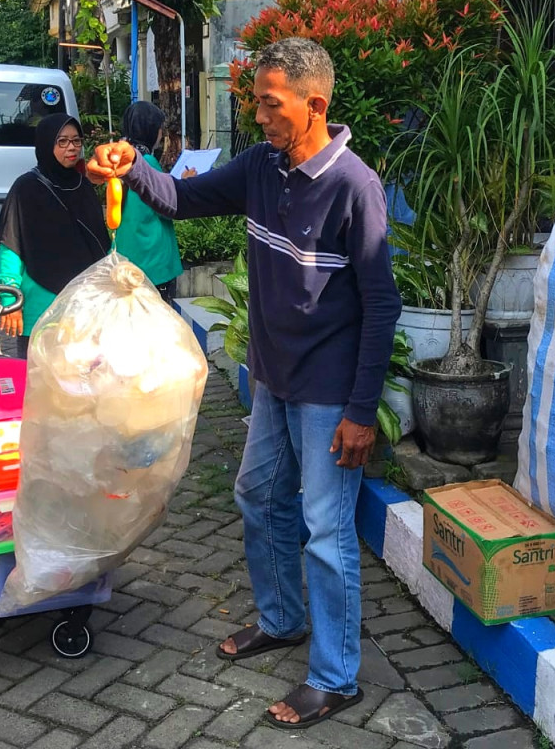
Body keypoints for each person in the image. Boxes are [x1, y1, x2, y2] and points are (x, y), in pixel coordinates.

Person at [89, 37, 401, 730]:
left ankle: (336, 677)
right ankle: (283, 621)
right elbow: (180, 198)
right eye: (255, 101)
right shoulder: (262, 166)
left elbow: (382, 305)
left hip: (328, 391)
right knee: (257, 495)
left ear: (314, 105)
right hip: (273, 378)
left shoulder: (356, 187)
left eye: (270, 103)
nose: (258, 115)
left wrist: (360, 410)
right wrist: (132, 164)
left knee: (326, 530)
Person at [0, 114, 110, 357]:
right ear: (47, 144)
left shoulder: (83, 186)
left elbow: (100, 242)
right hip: (41, 306)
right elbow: (11, 248)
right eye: (62, 141)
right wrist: (10, 301)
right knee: (37, 380)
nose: (71, 148)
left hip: (84, 303)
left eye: (76, 141)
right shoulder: (26, 188)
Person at [115, 101, 183, 302]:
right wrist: (184, 184)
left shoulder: (121, 159)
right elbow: (165, 206)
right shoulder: (148, 163)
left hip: (126, 258)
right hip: (153, 261)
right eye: (160, 129)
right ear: (151, 129)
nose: (161, 135)